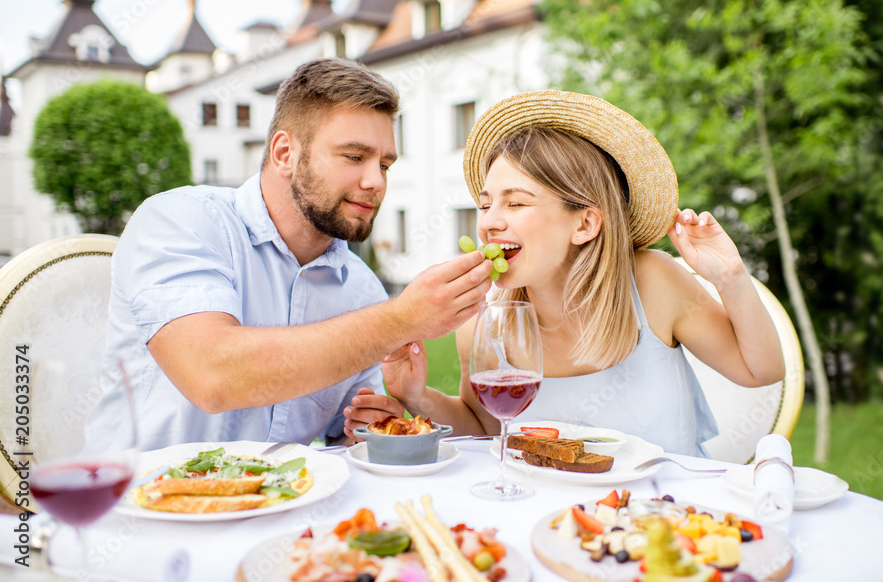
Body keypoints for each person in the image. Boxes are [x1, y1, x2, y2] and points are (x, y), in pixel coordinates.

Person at [87, 59, 494, 452]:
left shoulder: (361, 290)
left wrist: (367, 426)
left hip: (281, 511)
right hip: (142, 508)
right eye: (354, 157)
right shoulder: (182, 221)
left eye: (385, 164)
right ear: (284, 153)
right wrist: (403, 318)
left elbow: (346, 433)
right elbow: (213, 376)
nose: (375, 182)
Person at [378, 90, 785, 457]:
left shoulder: (652, 283)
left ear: (585, 224)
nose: (489, 223)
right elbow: (487, 427)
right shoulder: (484, 321)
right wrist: (417, 396)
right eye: (485, 206)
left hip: (670, 519)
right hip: (557, 529)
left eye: (516, 203)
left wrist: (730, 276)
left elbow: (761, 371)